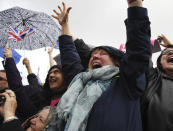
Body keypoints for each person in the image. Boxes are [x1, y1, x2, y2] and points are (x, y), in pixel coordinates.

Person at [48, 0, 152, 131]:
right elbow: (70, 60)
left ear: (117, 62)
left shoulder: (127, 83)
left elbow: (138, 49)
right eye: (92, 55)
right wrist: (64, 26)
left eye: (102, 53)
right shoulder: (80, 82)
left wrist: (134, 5)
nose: (95, 56)